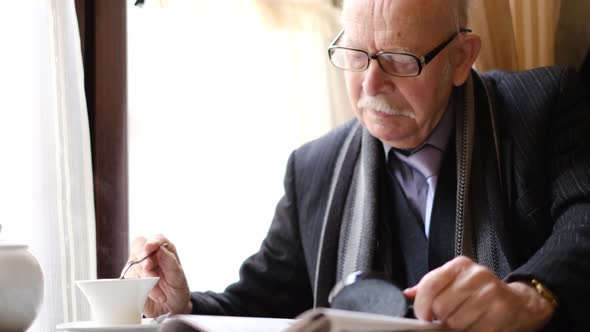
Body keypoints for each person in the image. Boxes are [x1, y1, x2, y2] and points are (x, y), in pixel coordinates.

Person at [125, 0, 590, 331]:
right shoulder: (314, 169)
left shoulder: (544, 107)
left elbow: (583, 224)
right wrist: (179, 305)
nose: (371, 83)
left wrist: (530, 298)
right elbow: (260, 305)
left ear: (461, 58)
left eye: (398, 58)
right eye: (354, 54)